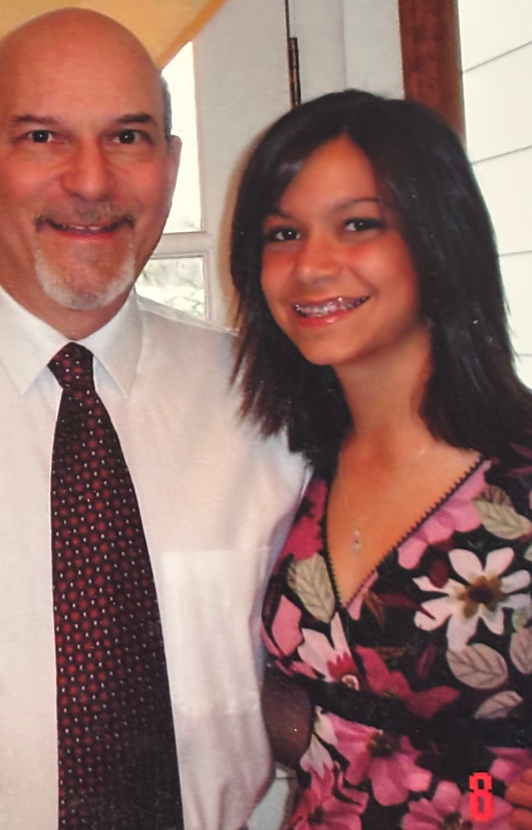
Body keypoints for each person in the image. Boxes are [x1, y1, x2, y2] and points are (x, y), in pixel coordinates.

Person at [0, 8, 305, 829]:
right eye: (42, 138)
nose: (91, 182)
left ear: (170, 166)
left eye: (127, 138)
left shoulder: (276, 401)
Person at [232, 89, 532, 828]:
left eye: (358, 225)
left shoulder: (518, 481)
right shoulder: (292, 469)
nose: (311, 266)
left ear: (437, 238)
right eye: (282, 234)